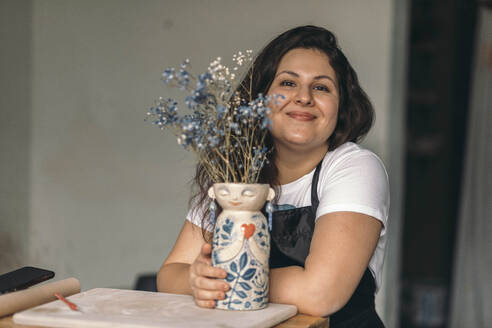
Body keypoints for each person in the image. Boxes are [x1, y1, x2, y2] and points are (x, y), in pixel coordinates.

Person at [157, 25, 389, 327]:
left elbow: (321, 293)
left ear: (341, 107)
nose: (303, 97)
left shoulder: (354, 167)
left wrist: (226, 281)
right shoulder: (234, 170)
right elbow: (170, 273)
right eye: (288, 83)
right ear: (260, 99)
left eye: (321, 87)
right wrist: (196, 280)